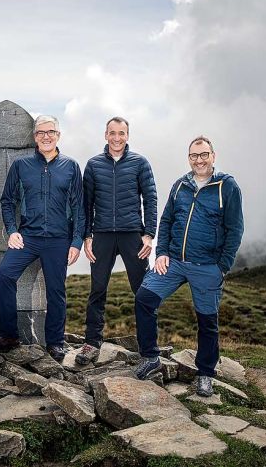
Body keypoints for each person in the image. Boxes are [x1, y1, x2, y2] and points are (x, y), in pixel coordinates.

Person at [132, 136, 244, 396]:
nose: (199, 160)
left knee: (207, 320)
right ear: (189, 158)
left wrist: (222, 267)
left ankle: (205, 373)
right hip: (173, 262)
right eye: (194, 155)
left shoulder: (227, 187)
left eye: (204, 154)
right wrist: (161, 253)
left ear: (213, 156)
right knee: (144, 298)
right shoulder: (180, 185)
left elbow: (235, 228)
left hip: (207, 266)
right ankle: (150, 358)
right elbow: (168, 219)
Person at [0, 115, 85, 362]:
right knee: (4, 274)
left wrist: (76, 242)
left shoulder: (71, 166)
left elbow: (79, 207)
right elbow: (7, 200)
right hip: (28, 237)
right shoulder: (21, 166)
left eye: (50, 132)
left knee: (56, 290)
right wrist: (12, 230)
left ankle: (55, 342)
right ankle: (9, 336)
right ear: (35, 137)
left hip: (59, 239)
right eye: (41, 132)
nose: (46, 136)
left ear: (58, 135)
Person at [76, 117, 158, 365]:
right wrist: (87, 236)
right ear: (105, 135)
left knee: (143, 291)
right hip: (101, 235)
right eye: (112, 133)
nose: (117, 138)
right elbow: (85, 204)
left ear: (127, 135)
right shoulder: (93, 165)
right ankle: (91, 343)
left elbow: (150, 199)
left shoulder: (140, 163)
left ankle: (149, 349)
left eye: (121, 133)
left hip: (133, 234)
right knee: (97, 290)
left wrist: (149, 234)